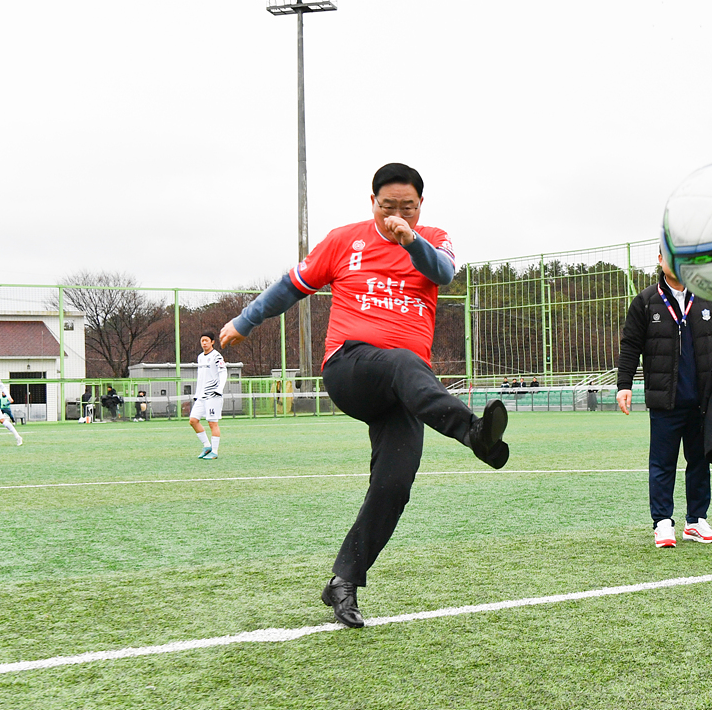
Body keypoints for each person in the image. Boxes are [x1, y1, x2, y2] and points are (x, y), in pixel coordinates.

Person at [219, 163, 510, 628]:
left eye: (407, 207)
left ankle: (344, 581)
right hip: (350, 367)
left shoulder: (432, 237)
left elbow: (445, 273)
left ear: (420, 207)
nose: (397, 214)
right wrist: (244, 321)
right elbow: (290, 287)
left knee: (394, 485)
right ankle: (473, 433)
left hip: (405, 389)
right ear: (371, 202)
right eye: (388, 206)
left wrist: (410, 239)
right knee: (402, 361)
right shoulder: (342, 240)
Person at [617, 249, 712, 549]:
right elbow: (630, 345)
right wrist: (624, 384)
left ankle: (695, 521)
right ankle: (662, 523)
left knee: (700, 461)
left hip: (702, 399)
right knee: (662, 464)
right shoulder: (645, 301)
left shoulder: (707, 298)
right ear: (660, 260)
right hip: (664, 400)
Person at [190, 333, 227, 458]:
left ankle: (215, 452)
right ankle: (207, 446)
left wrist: (219, 389)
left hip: (213, 395)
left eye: (206, 340)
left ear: (212, 342)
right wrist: (197, 393)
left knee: (212, 423)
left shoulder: (217, 356)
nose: (204, 343)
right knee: (193, 421)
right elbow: (201, 378)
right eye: (202, 341)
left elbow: (223, 373)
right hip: (201, 396)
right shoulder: (200, 357)